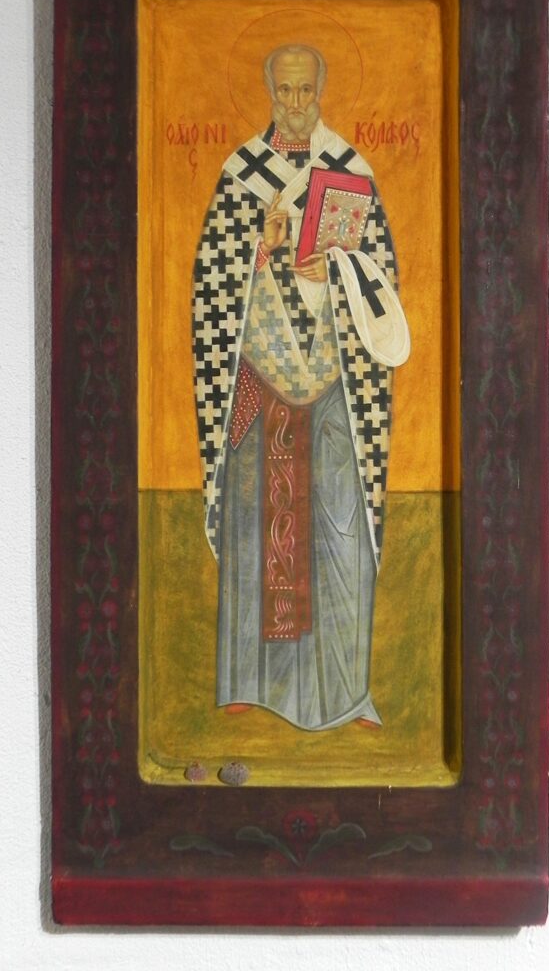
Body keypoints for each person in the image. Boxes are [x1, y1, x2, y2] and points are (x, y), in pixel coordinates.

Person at [192, 44, 409, 730]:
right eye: (283, 91)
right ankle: (250, 684)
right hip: (261, 380)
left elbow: (382, 283)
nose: (294, 104)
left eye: (304, 90)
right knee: (256, 528)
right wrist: (260, 249)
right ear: (269, 91)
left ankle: (344, 694)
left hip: (333, 381)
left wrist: (333, 272)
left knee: (341, 530)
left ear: (320, 90)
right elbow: (211, 284)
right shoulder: (241, 173)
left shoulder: (350, 172)